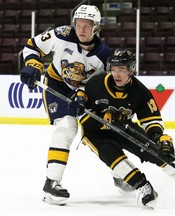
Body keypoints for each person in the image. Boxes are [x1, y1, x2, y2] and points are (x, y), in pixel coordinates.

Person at [79, 48, 175, 208]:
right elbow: (80, 109)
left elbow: (151, 120)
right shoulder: (96, 84)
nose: (116, 74)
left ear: (131, 70)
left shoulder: (140, 92)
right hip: (95, 132)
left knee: (155, 151)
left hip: (124, 126)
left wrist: (158, 139)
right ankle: (143, 186)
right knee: (111, 154)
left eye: (121, 70)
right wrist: (98, 120)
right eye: (114, 69)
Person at [20, 5, 112, 205]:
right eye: (78, 25)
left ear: (96, 28)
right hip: (57, 85)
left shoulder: (104, 56)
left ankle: (121, 172)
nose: (81, 30)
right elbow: (32, 45)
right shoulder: (61, 34)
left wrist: (84, 96)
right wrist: (33, 64)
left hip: (85, 93)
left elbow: (104, 86)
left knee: (102, 131)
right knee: (66, 127)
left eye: (86, 26)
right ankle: (51, 183)